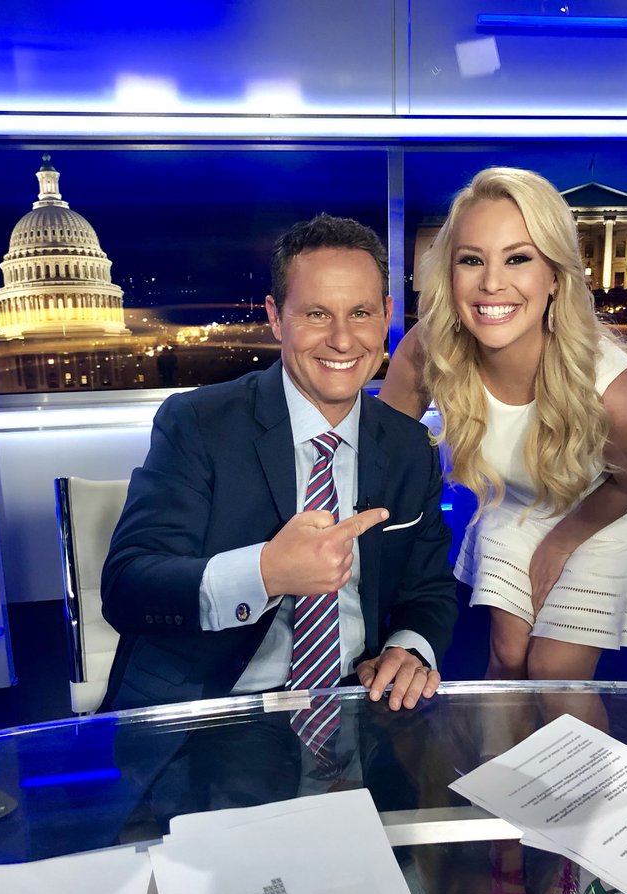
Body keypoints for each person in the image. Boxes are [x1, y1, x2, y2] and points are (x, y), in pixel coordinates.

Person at [99, 213, 458, 716]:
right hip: (216, 711)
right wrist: (266, 572)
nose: (342, 340)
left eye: (360, 313)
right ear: (274, 317)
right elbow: (128, 587)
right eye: (316, 314)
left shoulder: (410, 446)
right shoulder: (198, 424)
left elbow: (429, 590)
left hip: (361, 704)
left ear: (386, 315)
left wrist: (408, 647)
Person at [380, 167, 627, 697]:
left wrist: (561, 542)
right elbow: (385, 450)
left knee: (553, 672)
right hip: (518, 496)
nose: (492, 283)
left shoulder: (617, 389)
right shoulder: (429, 349)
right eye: (472, 260)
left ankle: (587, 756)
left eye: (518, 258)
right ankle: (504, 753)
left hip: (607, 499)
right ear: (449, 273)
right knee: (510, 656)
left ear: (555, 276)